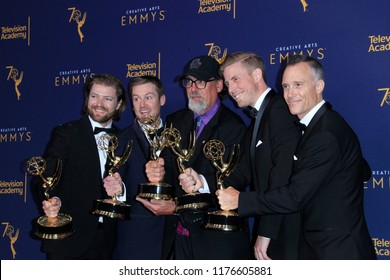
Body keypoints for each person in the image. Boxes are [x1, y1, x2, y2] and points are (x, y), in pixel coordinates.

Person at [217, 55, 377, 260]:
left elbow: (294, 196)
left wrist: (241, 199)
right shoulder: (320, 126)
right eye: (285, 86)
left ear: (319, 86)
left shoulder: (325, 133)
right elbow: (362, 170)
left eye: (298, 85)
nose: (290, 93)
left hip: (337, 252)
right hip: (323, 247)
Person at [144, 55, 251, 260]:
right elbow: (168, 167)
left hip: (215, 242)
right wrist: (158, 172)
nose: (193, 89)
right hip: (177, 238)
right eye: (189, 82)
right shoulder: (176, 120)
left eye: (201, 82)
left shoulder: (234, 127)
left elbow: (236, 179)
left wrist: (199, 184)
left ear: (219, 85)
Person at [218, 51, 301, 260]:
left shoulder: (280, 110)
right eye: (228, 83)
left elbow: (283, 177)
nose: (231, 89)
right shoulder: (259, 118)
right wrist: (200, 182)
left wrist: (266, 233)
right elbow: (243, 171)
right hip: (274, 225)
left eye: (236, 79)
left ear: (257, 75)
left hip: (286, 230)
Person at [35, 74, 127, 259]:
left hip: (113, 244)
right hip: (71, 240)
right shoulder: (66, 134)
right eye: (94, 96)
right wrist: (52, 200)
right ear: (87, 98)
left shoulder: (126, 138)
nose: (99, 103)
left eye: (107, 98)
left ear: (118, 104)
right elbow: (45, 178)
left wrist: (121, 191)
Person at [103, 75, 174, 259]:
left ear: (162, 100)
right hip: (136, 238)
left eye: (148, 97)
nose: (142, 106)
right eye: (136, 99)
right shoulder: (120, 140)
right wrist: (118, 190)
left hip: (175, 236)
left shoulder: (178, 136)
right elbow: (115, 185)